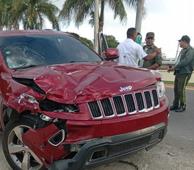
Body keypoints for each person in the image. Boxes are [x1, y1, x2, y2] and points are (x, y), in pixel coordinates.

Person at [168, 35, 194, 112]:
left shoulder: (191, 50)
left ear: (185, 41)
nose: (179, 43)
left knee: (181, 89)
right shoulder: (182, 50)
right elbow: (178, 61)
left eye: (180, 41)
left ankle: (183, 105)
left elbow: (185, 61)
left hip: (185, 72)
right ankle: (175, 105)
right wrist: (173, 67)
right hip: (179, 72)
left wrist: (174, 67)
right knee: (176, 89)